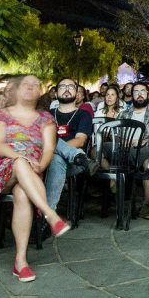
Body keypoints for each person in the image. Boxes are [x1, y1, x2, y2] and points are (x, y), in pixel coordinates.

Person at [0, 75, 70, 282]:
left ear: (40, 92)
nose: (31, 87)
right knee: (20, 163)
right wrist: (21, 158)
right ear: (16, 90)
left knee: (22, 194)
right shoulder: (1, 114)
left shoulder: (46, 118)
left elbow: (48, 149)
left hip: (30, 173)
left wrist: (41, 165)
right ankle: (50, 215)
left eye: (35, 85)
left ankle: (21, 262)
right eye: (26, 84)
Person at [44, 78, 93, 212]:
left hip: (73, 164)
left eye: (70, 87)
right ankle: (79, 156)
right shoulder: (46, 115)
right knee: (53, 154)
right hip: (43, 159)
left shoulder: (83, 115)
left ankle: (46, 216)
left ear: (77, 93)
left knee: (56, 159)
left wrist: (52, 149)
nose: (66, 89)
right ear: (55, 93)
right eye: (62, 87)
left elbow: (80, 140)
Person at [117, 81, 149, 219]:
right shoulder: (124, 114)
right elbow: (116, 135)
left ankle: (146, 205)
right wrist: (128, 142)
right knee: (100, 148)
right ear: (132, 95)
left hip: (145, 148)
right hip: (125, 150)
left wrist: (145, 141)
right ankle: (114, 182)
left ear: (148, 94)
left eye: (142, 91)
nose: (139, 94)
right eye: (136, 91)